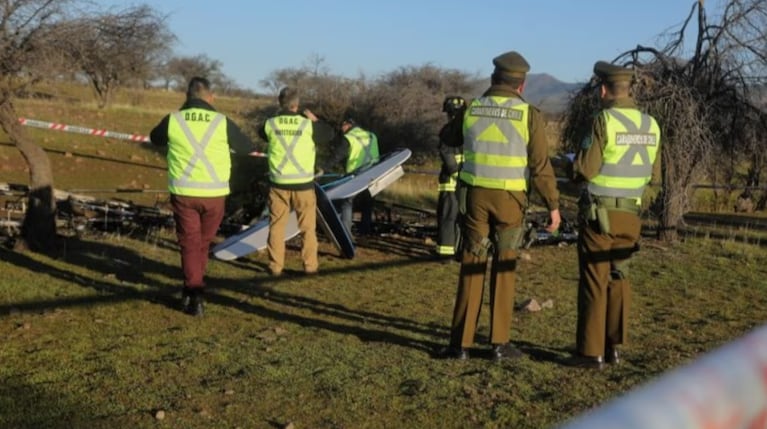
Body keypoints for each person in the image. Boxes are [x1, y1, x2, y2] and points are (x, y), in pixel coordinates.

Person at [438, 51, 561, 360]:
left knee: (472, 264)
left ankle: (460, 344)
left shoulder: (473, 109)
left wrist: (462, 113)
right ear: (521, 85)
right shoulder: (529, 114)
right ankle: (499, 343)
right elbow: (540, 165)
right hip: (510, 201)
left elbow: (448, 137)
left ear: (493, 79)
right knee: (504, 268)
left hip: (475, 199)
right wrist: (553, 205)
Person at [567, 61, 661, 369]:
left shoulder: (603, 121)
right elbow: (655, 178)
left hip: (600, 214)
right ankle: (613, 347)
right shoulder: (651, 125)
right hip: (631, 215)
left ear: (605, 90)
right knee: (619, 277)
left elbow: (586, 168)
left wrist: (570, 166)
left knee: (594, 278)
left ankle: (590, 352)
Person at [150, 76, 256, 316]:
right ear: (211, 97)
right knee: (202, 244)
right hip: (215, 194)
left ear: (187, 96)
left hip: (184, 192)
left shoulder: (173, 120)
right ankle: (195, 289)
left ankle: (193, 291)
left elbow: (154, 139)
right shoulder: (221, 122)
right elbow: (247, 147)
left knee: (189, 243)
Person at [258, 87, 335, 276]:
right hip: (303, 184)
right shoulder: (307, 125)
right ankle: (310, 266)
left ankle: (275, 266)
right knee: (307, 228)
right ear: (297, 104)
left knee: (276, 226)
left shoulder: (270, 124)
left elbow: (261, 132)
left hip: (278, 183)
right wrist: (314, 119)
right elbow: (329, 134)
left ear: (279, 102)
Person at [325, 118, 379, 235]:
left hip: (355, 175)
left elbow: (337, 156)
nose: (341, 129)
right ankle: (365, 231)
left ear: (348, 124)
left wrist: (324, 168)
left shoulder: (349, 138)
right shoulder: (371, 136)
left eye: (342, 126)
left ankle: (345, 233)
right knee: (367, 203)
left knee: (346, 202)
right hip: (373, 173)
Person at [434, 96, 466, 261]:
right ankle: (461, 252)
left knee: (448, 217)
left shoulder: (447, 131)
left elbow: (446, 155)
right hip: (467, 182)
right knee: (463, 218)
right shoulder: (471, 130)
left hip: (451, 182)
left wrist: (455, 171)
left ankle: (446, 254)